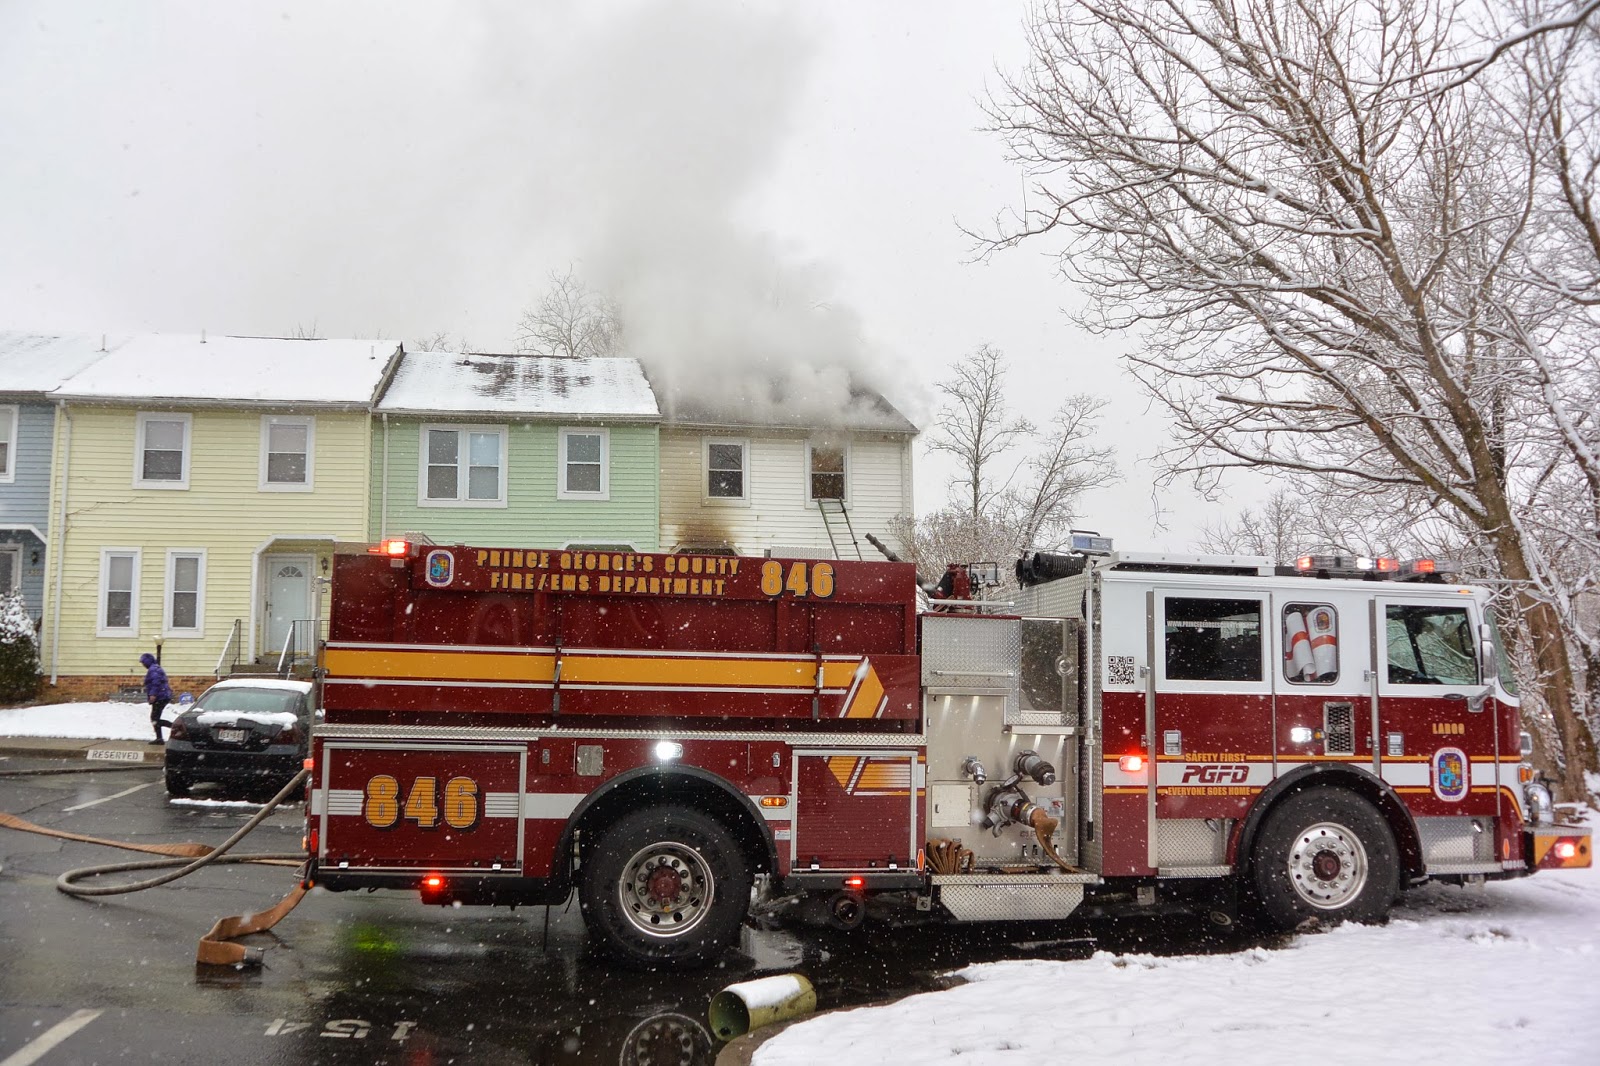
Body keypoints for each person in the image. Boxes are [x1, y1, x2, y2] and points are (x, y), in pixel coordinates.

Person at [140, 653, 173, 744]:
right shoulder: (155, 668)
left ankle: (175, 727)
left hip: (160, 697)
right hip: (162, 696)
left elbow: (156, 682)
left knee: (155, 718)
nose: (143, 665)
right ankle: (159, 738)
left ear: (147, 661)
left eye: (143, 662)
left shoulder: (153, 669)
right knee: (155, 718)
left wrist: (153, 694)